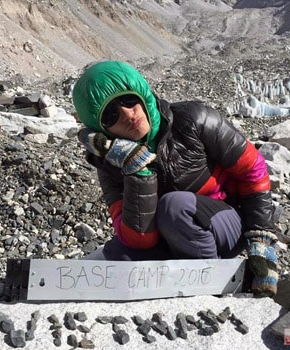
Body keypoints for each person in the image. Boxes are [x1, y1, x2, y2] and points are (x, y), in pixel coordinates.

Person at [72, 60, 279, 298]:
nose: (128, 115)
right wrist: (138, 171)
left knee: (174, 206)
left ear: (141, 92)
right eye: (110, 115)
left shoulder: (194, 119)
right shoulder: (109, 163)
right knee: (118, 254)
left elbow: (252, 169)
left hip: (226, 222)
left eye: (129, 100)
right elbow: (138, 239)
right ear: (101, 128)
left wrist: (261, 239)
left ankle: (207, 287)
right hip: (169, 235)